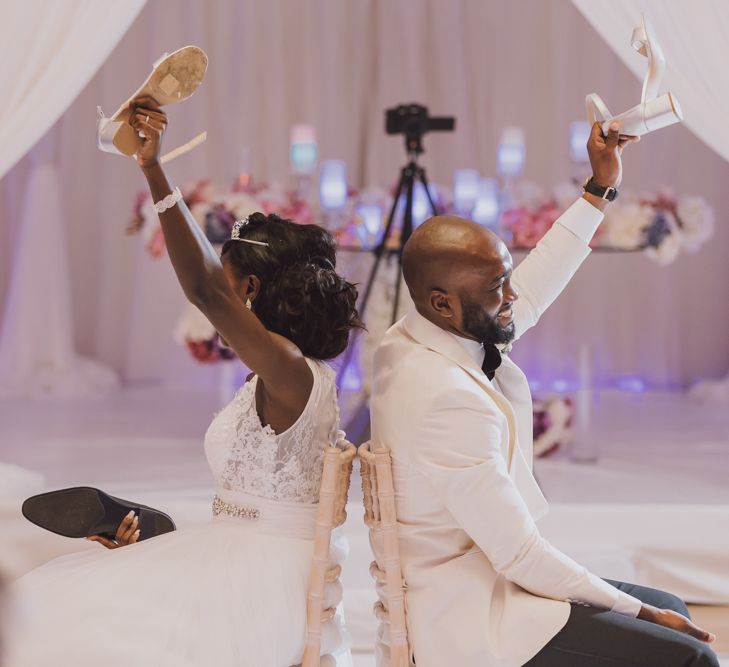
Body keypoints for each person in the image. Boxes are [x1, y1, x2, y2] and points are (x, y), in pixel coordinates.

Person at [6, 98, 361, 667]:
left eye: (228, 285)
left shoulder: (292, 371)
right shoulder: (273, 374)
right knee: (57, 596)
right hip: (235, 550)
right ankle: (151, 532)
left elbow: (202, 290)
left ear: (245, 291)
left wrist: (154, 169)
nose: (215, 301)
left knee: (58, 616)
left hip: (262, 582)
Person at [369, 122, 719, 667]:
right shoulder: (444, 399)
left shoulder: (413, 335)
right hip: (469, 610)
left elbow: (530, 291)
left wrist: (597, 191)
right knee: (686, 654)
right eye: (496, 289)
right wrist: (641, 614)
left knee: (674, 610)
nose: (512, 297)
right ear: (442, 303)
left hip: (485, 573)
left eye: (506, 277)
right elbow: (521, 555)